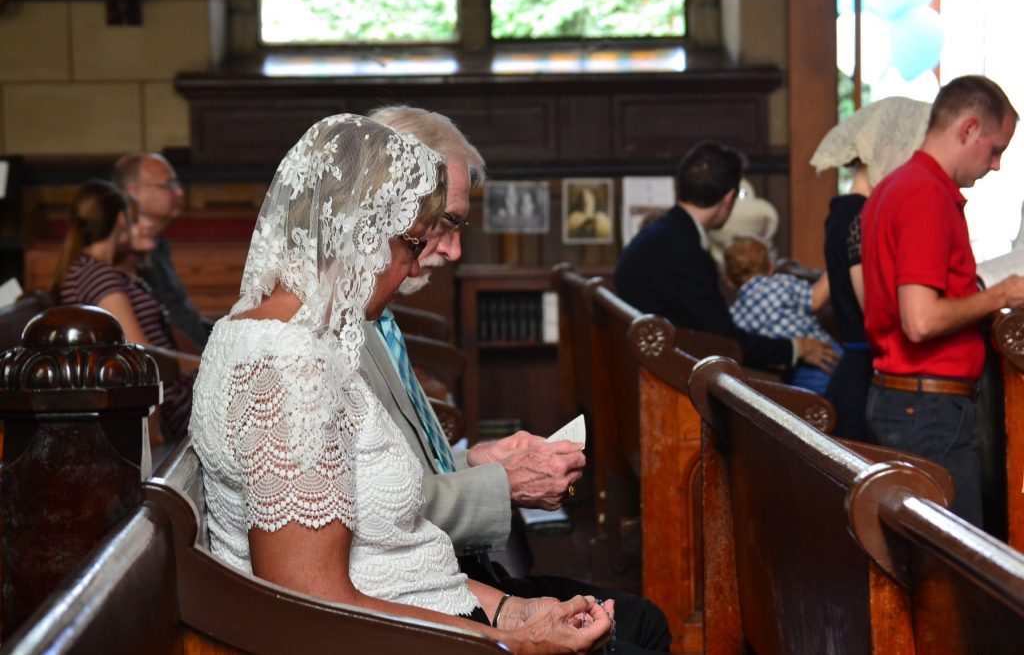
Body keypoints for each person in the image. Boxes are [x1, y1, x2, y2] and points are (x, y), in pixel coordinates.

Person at [187, 114, 615, 654]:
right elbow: (314, 602)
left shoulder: (297, 337)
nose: (413, 268)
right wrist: (516, 644)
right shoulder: (288, 363)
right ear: (361, 231)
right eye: (411, 245)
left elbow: (399, 558)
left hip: (440, 616)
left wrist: (513, 612)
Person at [367, 105, 672, 653]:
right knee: (634, 632)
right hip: (414, 601)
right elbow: (371, 519)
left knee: (643, 619)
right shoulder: (326, 340)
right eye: (443, 225)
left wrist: (479, 460)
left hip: (449, 576)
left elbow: (387, 476)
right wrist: (505, 486)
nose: (454, 250)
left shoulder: (377, 318)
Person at [861, 75, 1024, 527]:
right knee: (952, 569)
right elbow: (920, 320)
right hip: (928, 408)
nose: (995, 166)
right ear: (968, 129)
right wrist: (1003, 293)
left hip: (909, 401)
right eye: (995, 150)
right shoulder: (925, 193)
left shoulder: (895, 186)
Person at [613, 141, 837, 374]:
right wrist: (797, 348)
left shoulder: (663, 234)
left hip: (643, 361)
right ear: (729, 198)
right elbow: (723, 342)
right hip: (664, 374)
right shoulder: (682, 249)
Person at [810, 96, 932, 439]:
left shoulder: (845, 211)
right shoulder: (859, 215)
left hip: (858, 364)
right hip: (865, 372)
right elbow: (875, 308)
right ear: (890, 147)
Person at [52, 180, 200, 442]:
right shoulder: (97, 274)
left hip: (167, 390)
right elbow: (139, 353)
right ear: (122, 219)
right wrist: (201, 366)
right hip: (164, 400)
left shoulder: (95, 270)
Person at [113, 153, 210, 349]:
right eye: (168, 185)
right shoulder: (128, 258)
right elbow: (162, 333)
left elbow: (184, 317)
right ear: (134, 193)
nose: (180, 193)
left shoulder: (154, 248)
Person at [724, 236, 837, 394]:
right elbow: (815, 300)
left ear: (728, 280)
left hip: (790, 372)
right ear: (770, 267)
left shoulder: (734, 315)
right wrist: (837, 261)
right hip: (827, 355)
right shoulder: (782, 283)